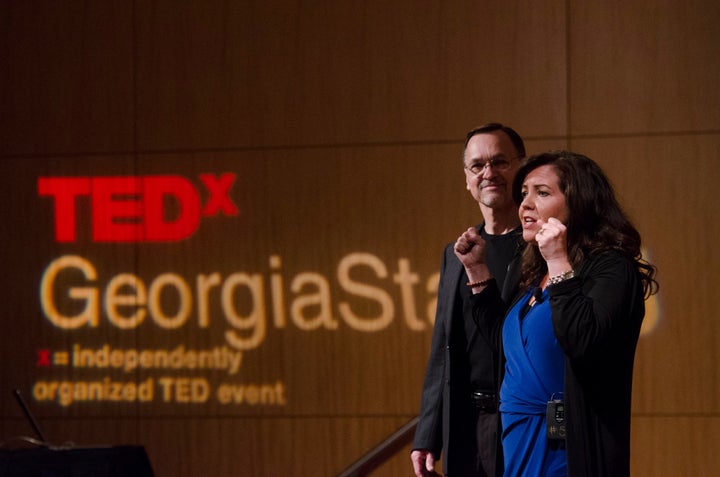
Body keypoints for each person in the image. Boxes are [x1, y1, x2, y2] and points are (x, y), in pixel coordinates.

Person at [458, 151, 659, 476]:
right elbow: (510, 349)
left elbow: (583, 339)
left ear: (579, 203)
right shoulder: (531, 272)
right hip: (517, 444)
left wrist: (559, 262)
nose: (524, 204)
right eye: (523, 193)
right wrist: (477, 270)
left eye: (542, 192)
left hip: (569, 451)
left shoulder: (610, 267)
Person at [412, 123, 526, 477]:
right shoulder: (456, 252)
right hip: (465, 424)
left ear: (520, 168)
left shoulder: (540, 247)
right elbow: (443, 347)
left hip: (520, 422)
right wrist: (427, 434)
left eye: (500, 162)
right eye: (478, 166)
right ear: (467, 179)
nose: (488, 173)